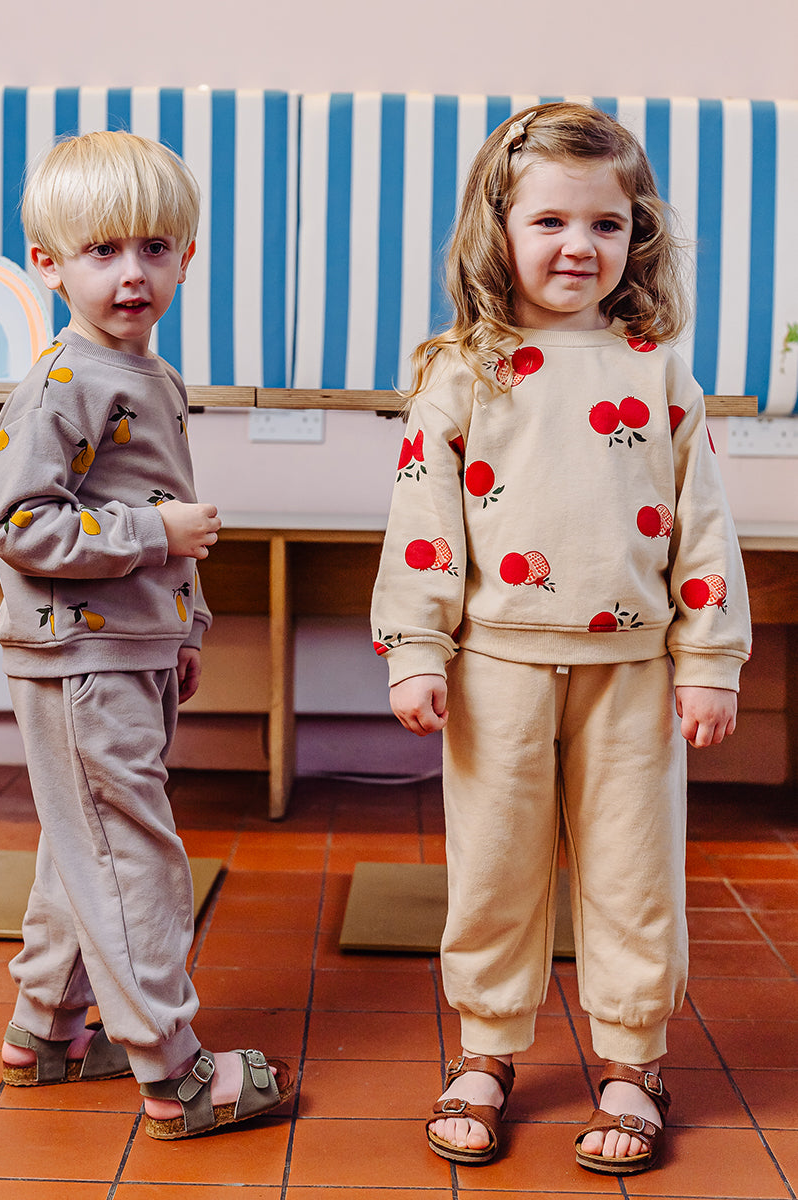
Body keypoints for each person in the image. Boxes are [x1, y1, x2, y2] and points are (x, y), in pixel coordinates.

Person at [370, 102, 750, 1175]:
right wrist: (416, 649)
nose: (579, 245)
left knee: (635, 873)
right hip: (495, 668)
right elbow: (423, 524)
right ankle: (486, 1050)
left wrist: (710, 660)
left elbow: (705, 527)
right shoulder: (463, 369)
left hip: (633, 672)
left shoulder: (659, 369)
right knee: (495, 867)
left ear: (638, 235)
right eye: (550, 221)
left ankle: (634, 1064)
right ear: (497, 229)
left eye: (606, 224)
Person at [0, 130, 293, 1141]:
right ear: (49, 264)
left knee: (85, 841)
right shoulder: (63, 382)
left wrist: (184, 624)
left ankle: (50, 1029)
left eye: (155, 249)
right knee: (131, 854)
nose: (131, 274)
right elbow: (22, 525)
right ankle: (174, 1070)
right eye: (102, 251)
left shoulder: (147, 373)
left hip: (128, 647)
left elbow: (154, 497)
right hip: (80, 657)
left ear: (186, 258)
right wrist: (156, 536)